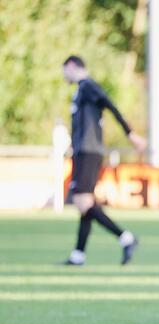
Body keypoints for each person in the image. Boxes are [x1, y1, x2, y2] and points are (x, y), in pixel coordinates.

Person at [61, 55, 144, 265]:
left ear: (71, 66)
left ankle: (126, 238)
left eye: (64, 70)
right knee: (85, 204)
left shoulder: (88, 86)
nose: (63, 75)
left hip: (89, 152)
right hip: (83, 151)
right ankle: (78, 255)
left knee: (83, 202)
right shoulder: (81, 90)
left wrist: (130, 133)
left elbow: (110, 104)